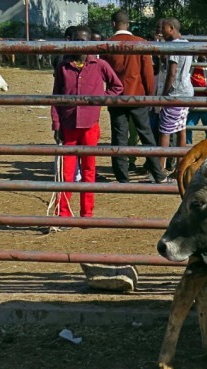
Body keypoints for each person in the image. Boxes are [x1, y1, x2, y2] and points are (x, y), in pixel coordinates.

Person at [51, 26, 123, 222]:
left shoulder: (99, 65)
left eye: (83, 41)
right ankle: (63, 214)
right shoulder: (63, 67)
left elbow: (117, 86)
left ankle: (87, 213)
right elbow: (56, 96)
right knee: (66, 172)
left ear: (90, 43)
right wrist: (56, 124)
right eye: (76, 40)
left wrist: (101, 99)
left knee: (89, 169)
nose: (79, 45)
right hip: (68, 124)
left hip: (90, 125)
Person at [101, 10, 166, 183]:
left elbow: (104, 72)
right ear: (128, 24)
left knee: (119, 136)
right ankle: (158, 174)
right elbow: (148, 72)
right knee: (146, 135)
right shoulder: (141, 43)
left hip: (116, 97)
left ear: (113, 24)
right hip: (138, 95)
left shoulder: (107, 44)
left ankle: (122, 177)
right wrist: (150, 94)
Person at [156, 18, 193, 178]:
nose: (161, 31)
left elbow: (171, 73)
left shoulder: (174, 46)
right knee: (181, 129)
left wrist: (163, 95)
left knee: (165, 131)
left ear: (171, 28)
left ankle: (160, 169)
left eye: (163, 28)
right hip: (187, 91)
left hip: (175, 92)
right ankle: (180, 167)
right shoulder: (187, 43)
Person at [186, 55, 207, 144]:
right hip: (193, 105)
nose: (204, 56)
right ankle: (187, 147)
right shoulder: (191, 66)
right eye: (201, 53)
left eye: (205, 54)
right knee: (187, 127)